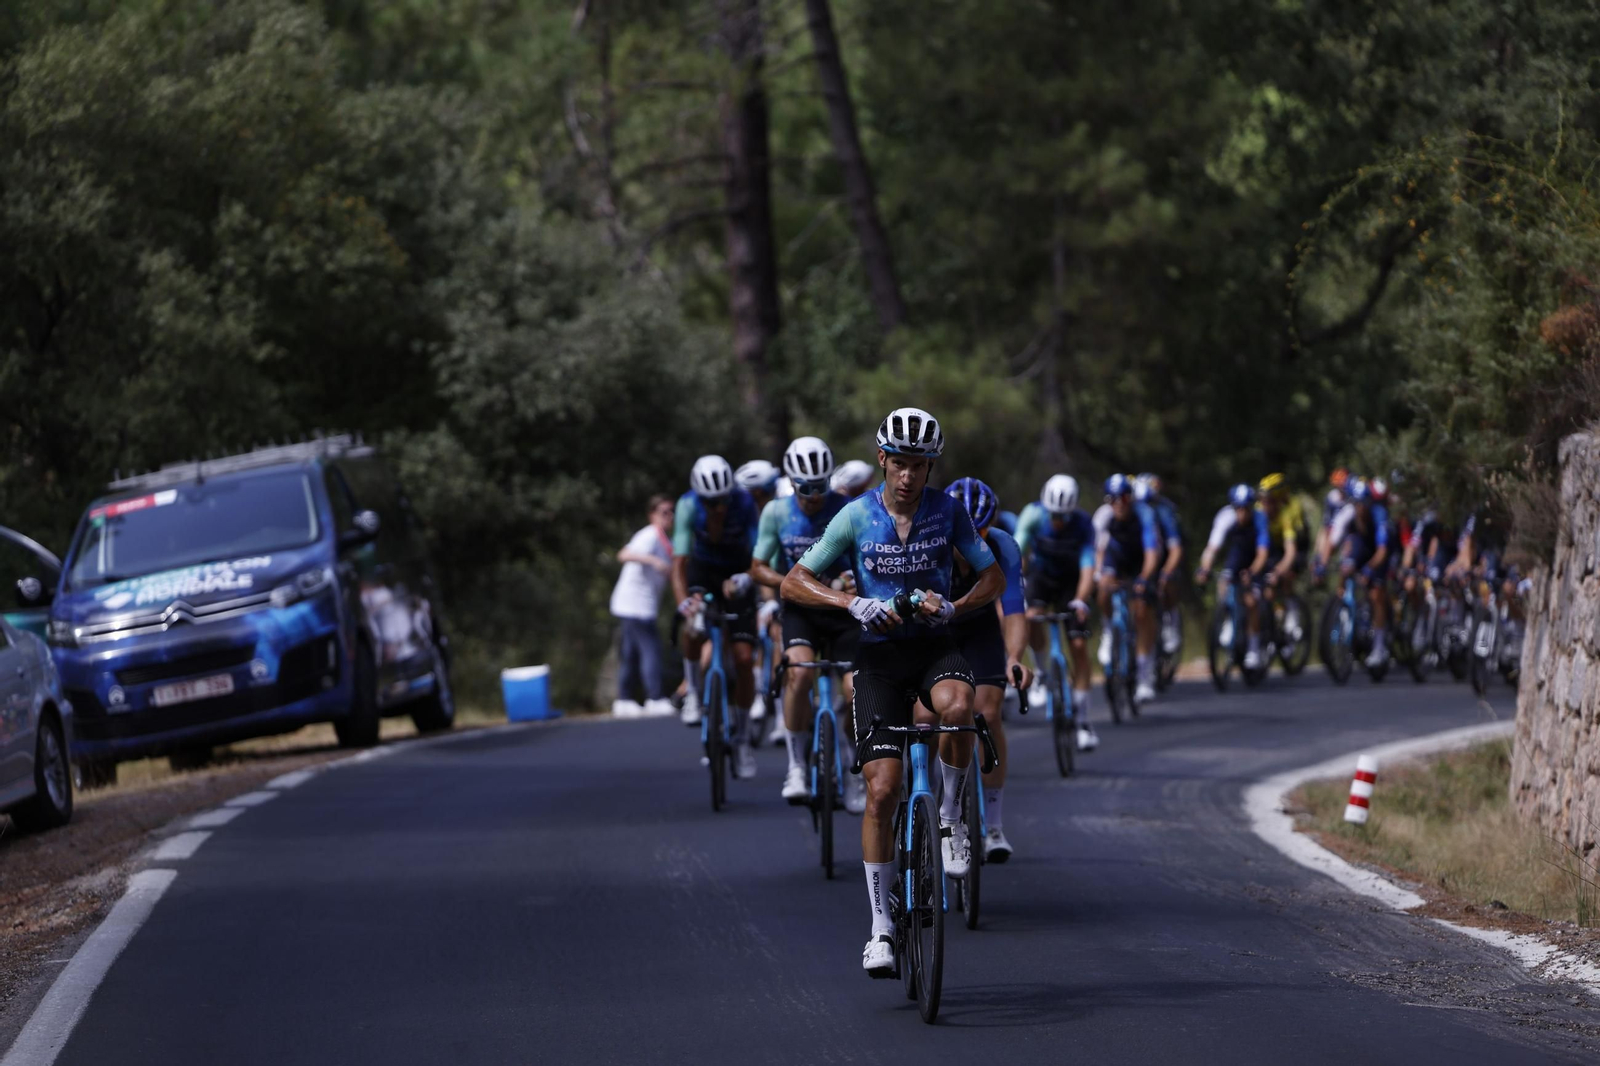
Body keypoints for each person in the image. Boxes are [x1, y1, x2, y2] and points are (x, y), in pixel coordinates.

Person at [779, 406, 1002, 977]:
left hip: (934, 647)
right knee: (882, 790)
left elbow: (992, 576)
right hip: (877, 658)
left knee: (959, 708)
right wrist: (850, 602)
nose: (908, 476)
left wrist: (955, 606)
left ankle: (950, 820)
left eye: (919, 466)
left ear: (931, 468)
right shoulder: (855, 516)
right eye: (899, 463)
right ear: (882, 459)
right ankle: (880, 927)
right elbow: (794, 581)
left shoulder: (947, 511)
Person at [750, 436, 864, 812]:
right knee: (798, 673)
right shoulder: (776, 512)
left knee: (855, 691)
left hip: (843, 609)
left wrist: (853, 581)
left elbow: (868, 559)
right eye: (805, 487)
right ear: (791, 481)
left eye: (821, 486)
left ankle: (855, 768)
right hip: (801, 608)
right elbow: (757, 567)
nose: (814, 496)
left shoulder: (848, 509)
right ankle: (796, 765)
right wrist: (790, 581)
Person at [944, 477, 1031, 861]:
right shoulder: (929, 542)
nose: (972, 541)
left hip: (980, 630)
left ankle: (993, 825)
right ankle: (928, 809)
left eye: (979, 532)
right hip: (937, 632)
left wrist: (1014, 658)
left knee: (989, 714)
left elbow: (1014, 611)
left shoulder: (1002, 545)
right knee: (927, 721)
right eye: (964, 533)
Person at [672, 455, 761, 778]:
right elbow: (679, 564)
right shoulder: (687, 505)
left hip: (738, 570)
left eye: (723, 499)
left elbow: (760, 553)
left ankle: (743, 737)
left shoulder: (744, 503)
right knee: (693, 626)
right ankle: (694, 693)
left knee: (744, 658)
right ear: (700, 498)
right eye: (711, 502)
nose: (719, 507)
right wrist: (684, 603)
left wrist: (747, 579)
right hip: (703, 571)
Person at [1015, 473, 1099, 750]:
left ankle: (1083, 721)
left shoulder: (1084, 524)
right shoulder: (1033, 515)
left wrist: (1081, 600)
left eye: (1063, 516)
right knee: (1031, 617)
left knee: (1078, 646)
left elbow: (1088, 567)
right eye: (1053, 515)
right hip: (1042, 577)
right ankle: (1041, 674)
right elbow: (1017, 553)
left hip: (1071, 584)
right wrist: (1016, 583)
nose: (1057, 520)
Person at [1095, 474, 1163, 703]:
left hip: (1140, 561)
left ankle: (1144, 675)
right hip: (1116, 559)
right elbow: (1097, 550)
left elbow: (1152, 553)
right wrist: (1099, 574)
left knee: (1142, 610)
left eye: (1123, 498)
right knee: (1103, 590)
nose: (1118, 504)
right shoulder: (1103, 516)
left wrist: (1144, 578)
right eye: (1112, 499)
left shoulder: (1144, 514)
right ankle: (1108, 630)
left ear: (1131, 498)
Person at [609, 495, 678, 717]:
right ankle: (655, 698)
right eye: (664, 512)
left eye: (672, 512)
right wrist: (653, 561)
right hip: (635, 604)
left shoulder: (666, 541)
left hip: (638, 605)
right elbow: (624, 554)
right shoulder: (649, 536)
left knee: (630, 653)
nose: (669, 516)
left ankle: (624, 700)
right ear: (652, 515)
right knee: (651, 650)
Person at [1317, 477, 1392, 667]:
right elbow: (1332, 542)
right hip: (1360, 545)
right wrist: (1322, 564)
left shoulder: (1379, 514)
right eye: (1356, 504)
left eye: (1363, 504)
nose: (1359, 508)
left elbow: (1382, 551)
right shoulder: (1347, 513)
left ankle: (1379, 646)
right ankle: (1342, 605)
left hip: (1376, 551)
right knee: (1346, 566)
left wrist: (1370, 568)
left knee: (1376, 594)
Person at [1196, 484, 1271, 669]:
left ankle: (1253, 648)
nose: (1242, 513)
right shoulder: (1225, 517)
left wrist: (1252, 571)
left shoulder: (1260, 518)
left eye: (1246, 509)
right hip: (1237, 555)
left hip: (1254, 559)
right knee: (1224, 582)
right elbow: (1212, 548)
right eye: (1238, 508)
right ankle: (1228, 618)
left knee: (1251, 601)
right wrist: (1204, 568)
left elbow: (1262, 553)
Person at [1134, 472, 1184, 656]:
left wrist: (1166, 571)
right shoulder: (1133, 512)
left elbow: (1175, 549)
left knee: (1167, 581)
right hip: (1141, 557)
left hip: (1164, 558)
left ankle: (1171, 620)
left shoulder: (1165, 511)